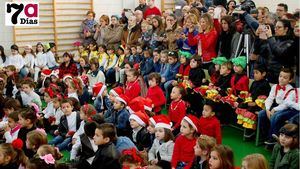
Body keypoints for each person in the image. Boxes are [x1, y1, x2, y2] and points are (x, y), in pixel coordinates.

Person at [258, 68, 294, 144]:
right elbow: (270, 98)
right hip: (276, 106)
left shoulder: (291, 90)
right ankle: (265, 135)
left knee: (276, 116)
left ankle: (273, 138)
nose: (281, 79)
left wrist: (274, 109)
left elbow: (286, 104)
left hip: (287, 109)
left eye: (285, 78)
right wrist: (267, 109)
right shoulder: (275, 87)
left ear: (290, 80)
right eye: (280, 76)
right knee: (261, 114)